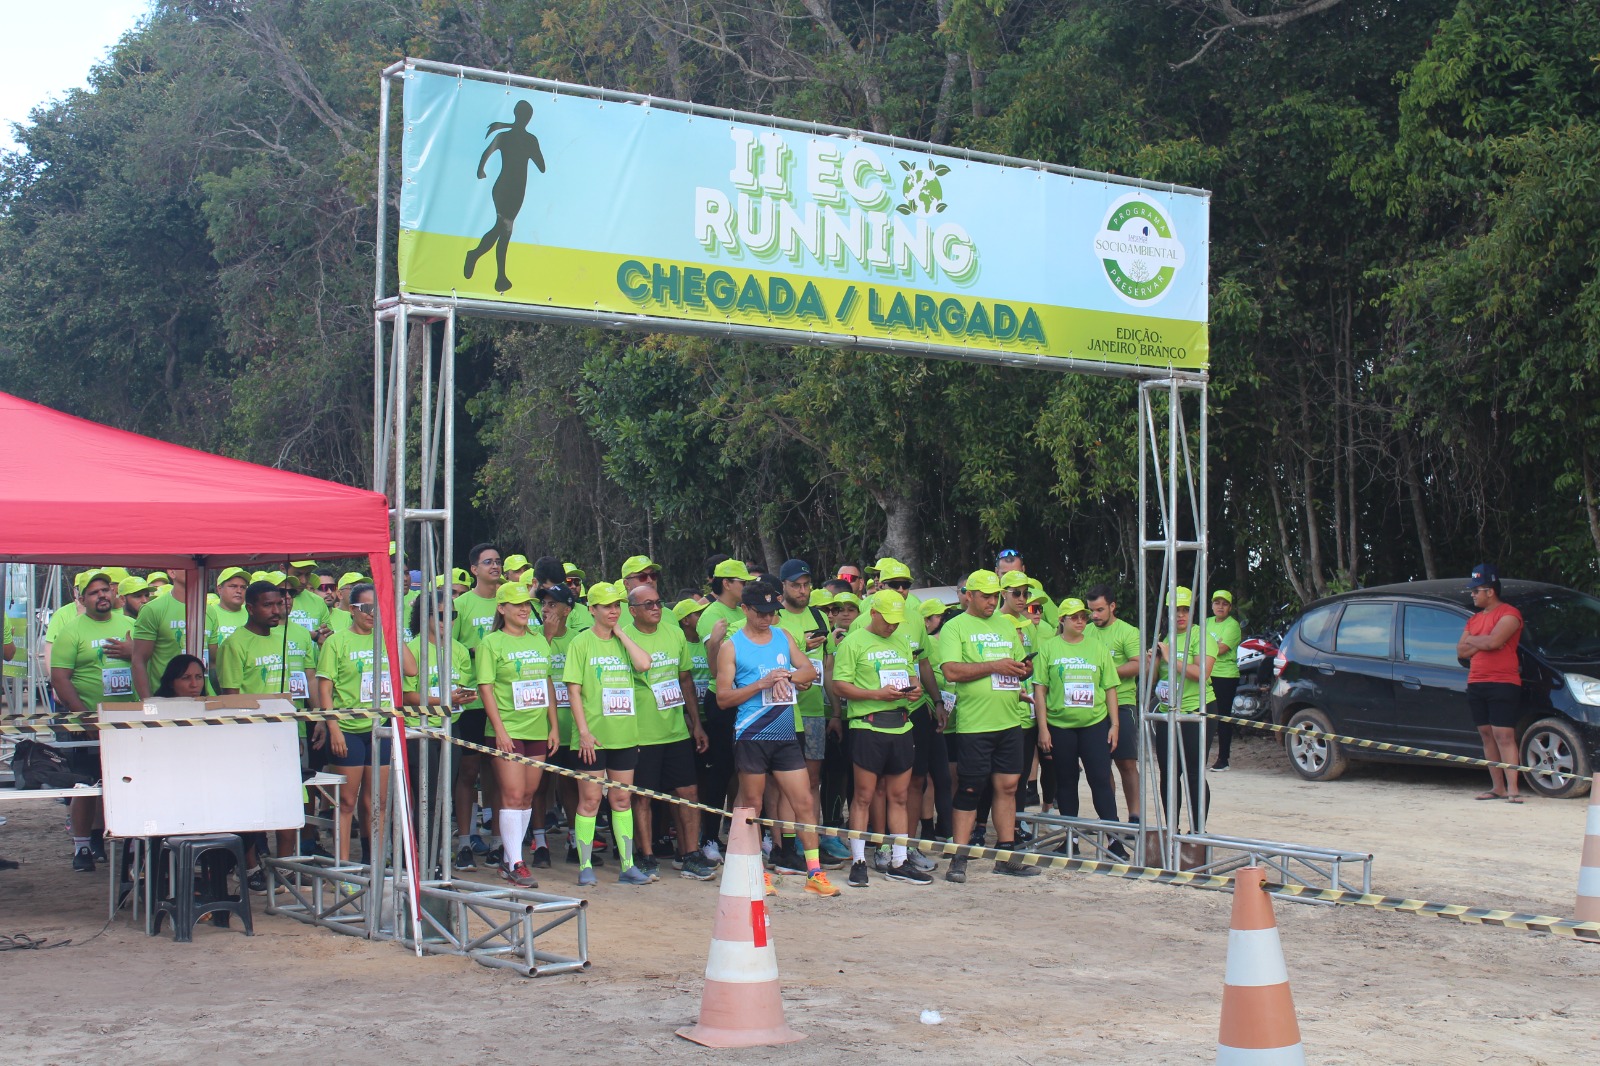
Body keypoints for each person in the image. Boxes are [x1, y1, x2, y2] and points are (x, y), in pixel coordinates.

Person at [717, 581, 838, 897]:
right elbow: (723, 698)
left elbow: (808, 672)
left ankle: (814, 871)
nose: (768, 619)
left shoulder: (783, 637)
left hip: (785, 734)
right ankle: (755, 870)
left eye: (772, 613)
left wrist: (788, 678)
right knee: (752, 806)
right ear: (744, 609)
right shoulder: (732, 646)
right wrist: (761, 684)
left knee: (804, 802)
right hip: (752, 735)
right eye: (761, 613)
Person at [934, 569, 1039, 883]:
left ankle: (1005, 854)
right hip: (975, 724)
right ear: (969, 595)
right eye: (986, 596)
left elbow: (1018, 666)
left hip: (1009, 720)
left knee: (1008, 787)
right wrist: (996, 665)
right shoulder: (955, 627)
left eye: (996, 595)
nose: (992, 601)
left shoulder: (1006, 626)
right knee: (970, 788)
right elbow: (951, 670)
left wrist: (1024, 668)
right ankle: (959, 856)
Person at [219, 580, 319, 886]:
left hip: (291, 732)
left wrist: (319, 719)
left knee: (290, 797)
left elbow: (310, 679)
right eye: (268, 605)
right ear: (250, 608)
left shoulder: (297, 636)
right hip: (251, 736)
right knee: (252, 801)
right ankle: (249, 866)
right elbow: (231, 697)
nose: (277, 610)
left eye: (279, 603)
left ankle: (285, 864)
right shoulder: (235, 644)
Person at [831, 590, 931, 886]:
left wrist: (915, 689)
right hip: (868, 726)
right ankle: (859, 860)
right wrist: (876, 694)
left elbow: (912, 678)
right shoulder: (854, 642)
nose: (892, 626)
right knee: (863, 796)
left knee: (899, 796)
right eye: (888, 620)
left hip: (901, 725)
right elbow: (839, 685)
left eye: (897, 621)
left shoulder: (901, 641)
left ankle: (900, 860)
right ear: (873, 613)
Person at [563, 581, 653, 887]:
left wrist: (622, 634)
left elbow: (644, 663)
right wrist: (584, 733)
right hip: (593, 736)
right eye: (606, 607)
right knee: (589, 801)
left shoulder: (622, 640)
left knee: (622, 799)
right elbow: (573, 690)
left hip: (624, 734)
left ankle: (628, 864)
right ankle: (585, 864)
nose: (613, 611)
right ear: (592, 610)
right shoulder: (581, 643)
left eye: (617, 606)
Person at [623, 584, 715, 881]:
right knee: (642, 797)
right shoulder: (624, 636)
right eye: (647, 604)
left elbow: (685, 680)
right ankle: (646, 855)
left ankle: (690, 854)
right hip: (640, 733)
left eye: (658, 602)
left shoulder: (674, 633)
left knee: (688, 791)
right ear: (632, 609)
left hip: (676, 730)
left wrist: (695, 723)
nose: (655, 608)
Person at [474, 581, 560, 887]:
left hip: (537, 728)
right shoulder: (491, 643)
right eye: (517, 604)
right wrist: (499, 730)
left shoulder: (539, 641)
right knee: (511, 794)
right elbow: (485, 688)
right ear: (502, 608)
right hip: (507, 729)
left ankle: (511, 859)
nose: (525, 609)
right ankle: (515, 860)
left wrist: (553, 726)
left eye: (527, 604)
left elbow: (547, 682)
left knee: (526, 795)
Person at [48, 570, 128, 872]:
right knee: (85, 785)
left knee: (130, 780)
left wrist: (133, 651)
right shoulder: (71, 631)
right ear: (82, 599)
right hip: (87, 722)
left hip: (128, 722)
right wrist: (83, 714)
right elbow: (60, 677)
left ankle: (131, 844)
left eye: (106, 590)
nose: (102, 596)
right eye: (94, 592)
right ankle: (82, 846)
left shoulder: (131, 625)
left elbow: (147, 661)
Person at [316, 584, 395, 868]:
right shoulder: (337, 642)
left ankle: (376, 860)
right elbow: (325, 689)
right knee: (347, 802)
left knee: (378, 802)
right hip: (348, 730)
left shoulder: (384, 638)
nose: (373, 614)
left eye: (378, 608)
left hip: (380, 729)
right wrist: (333, 727)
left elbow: (410, 669)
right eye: (368, 609)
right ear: (353, 610)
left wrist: (391, 631)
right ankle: (344, 865)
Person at [774, 560, 847, 865]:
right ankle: (783, 844)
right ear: (784, 587)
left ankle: (812, 840)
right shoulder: (775, 619)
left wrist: (836, 713)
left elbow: (827, 667)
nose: (802, 591)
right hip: (782, 712)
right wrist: (800, 648)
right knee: (785, 782)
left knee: (812, 779)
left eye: (806, 585)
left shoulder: (818, 614)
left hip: (815, 710)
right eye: (796, 585)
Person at [1034, 598, 1121, 828]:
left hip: (1094, 724)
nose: (1081, 621)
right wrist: (1043, 729)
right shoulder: (1049, 648)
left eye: (1083, 616)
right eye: (1075, 617)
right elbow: (1040, 690)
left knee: (1100, 779)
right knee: (1066, 781)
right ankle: (1070, 837)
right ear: (1062, 620)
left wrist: (1115, 725)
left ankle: (1113, 839)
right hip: (1060, 726)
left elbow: (1110, 687)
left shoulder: (1097, 647)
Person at [400, 592, 475, 854]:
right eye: (440, 615)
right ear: (425, 617)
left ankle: (439, 856)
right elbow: (405, 696)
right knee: (426, 796)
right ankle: (421, 855)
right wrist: (443, 699)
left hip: (449, 727)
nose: (447, 621)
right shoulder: (413, 649)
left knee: (445, 794)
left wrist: (462, 696)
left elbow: (462, 689)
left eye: (451, 615)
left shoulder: (460, 650)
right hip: (419, 728)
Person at [695, 557, 754, 855]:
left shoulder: (744, 611)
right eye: (743, 582)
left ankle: (745, 833)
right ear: (727, 583)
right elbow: (713, 667)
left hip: (748, 699)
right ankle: (709, 837)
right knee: (720, 771)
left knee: (746, 769)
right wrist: (715, 643)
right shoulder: (713, 614)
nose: (746, 586)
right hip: (721, 700)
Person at [452, 543, 504, 870]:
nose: (495, 566)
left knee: (498, 773)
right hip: (471, 701)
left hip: (502, 700)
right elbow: (449, 646)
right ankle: (465, 841)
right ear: (474, 569)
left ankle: (499, 842)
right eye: (488, 562)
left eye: (498, 561)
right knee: (468, 772)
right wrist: (475, 652)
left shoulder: (508, 602)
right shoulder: (461, 604)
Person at [1147, 586, 1216, 832]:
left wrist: (1170, 660)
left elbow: (1201, 673)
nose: (1180, 615)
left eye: (1185, 610)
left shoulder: (1200, 636)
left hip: (1196, 710)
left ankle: (1198, 830)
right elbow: (1155, 678)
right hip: (1168, 711)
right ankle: (1171, 829)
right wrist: (1153, 661)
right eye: (1176, 610)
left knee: (1194, 772)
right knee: (1168, 772)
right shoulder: (1166, 639)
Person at [1456, 564, 1525, 802]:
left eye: (1476, 590)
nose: (1472, 595)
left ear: (1490, 591)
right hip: (1476, 682)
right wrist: (1480, 642)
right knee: (1486, 734)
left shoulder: (1509, 614)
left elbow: (1495, 642)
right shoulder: (1474, 619)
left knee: (1504, 735)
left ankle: (1513, 788)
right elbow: (1461, 651)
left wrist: (1476, 642)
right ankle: (1497, 787)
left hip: (1503, 682)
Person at [465, 98, 545, 293]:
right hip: (507, 188)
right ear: (527, 118)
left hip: (514, 190)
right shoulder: (527, 140)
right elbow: (541, 166)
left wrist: (481, 170)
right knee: (504, 227)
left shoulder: (509, 137)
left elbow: (541, 167)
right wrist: (480, 171)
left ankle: (497, 273)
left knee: (504, 230)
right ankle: (480, 259)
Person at [1085, 585, 1143, 822]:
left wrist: (1107, 673)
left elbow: (1140, 664)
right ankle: (1109, 817)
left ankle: (1136, 815)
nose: (1095, 615)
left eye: (1099, 610)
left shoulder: (1128, 632)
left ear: (1112, 606)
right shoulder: (1085, 632)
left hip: (1123, 703)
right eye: (1091, 611)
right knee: (1100, 765)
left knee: (1126, 762)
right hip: (1093, 707)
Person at [132, 568, 194, 700]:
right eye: (188, 566)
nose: (194, 569)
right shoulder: (153, 609)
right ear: (172, 572)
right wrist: (149, 703)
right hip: (165, 698)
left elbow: (213, 662)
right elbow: (138, 660)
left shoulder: (209, 611)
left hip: (202, 699)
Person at [1207, 591, 1243, 771]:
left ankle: (1223, 759)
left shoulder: (1233, 625)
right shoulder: (1206, 622)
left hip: (1225, 676)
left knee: (1222, 717)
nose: (1220, 606)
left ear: (1230, 607)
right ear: (1212, 605)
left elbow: (1221, 649)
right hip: (1205, 674)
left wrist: (1205, 649)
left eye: (1224, 603)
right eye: (1217, 603)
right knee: (1203, 716)